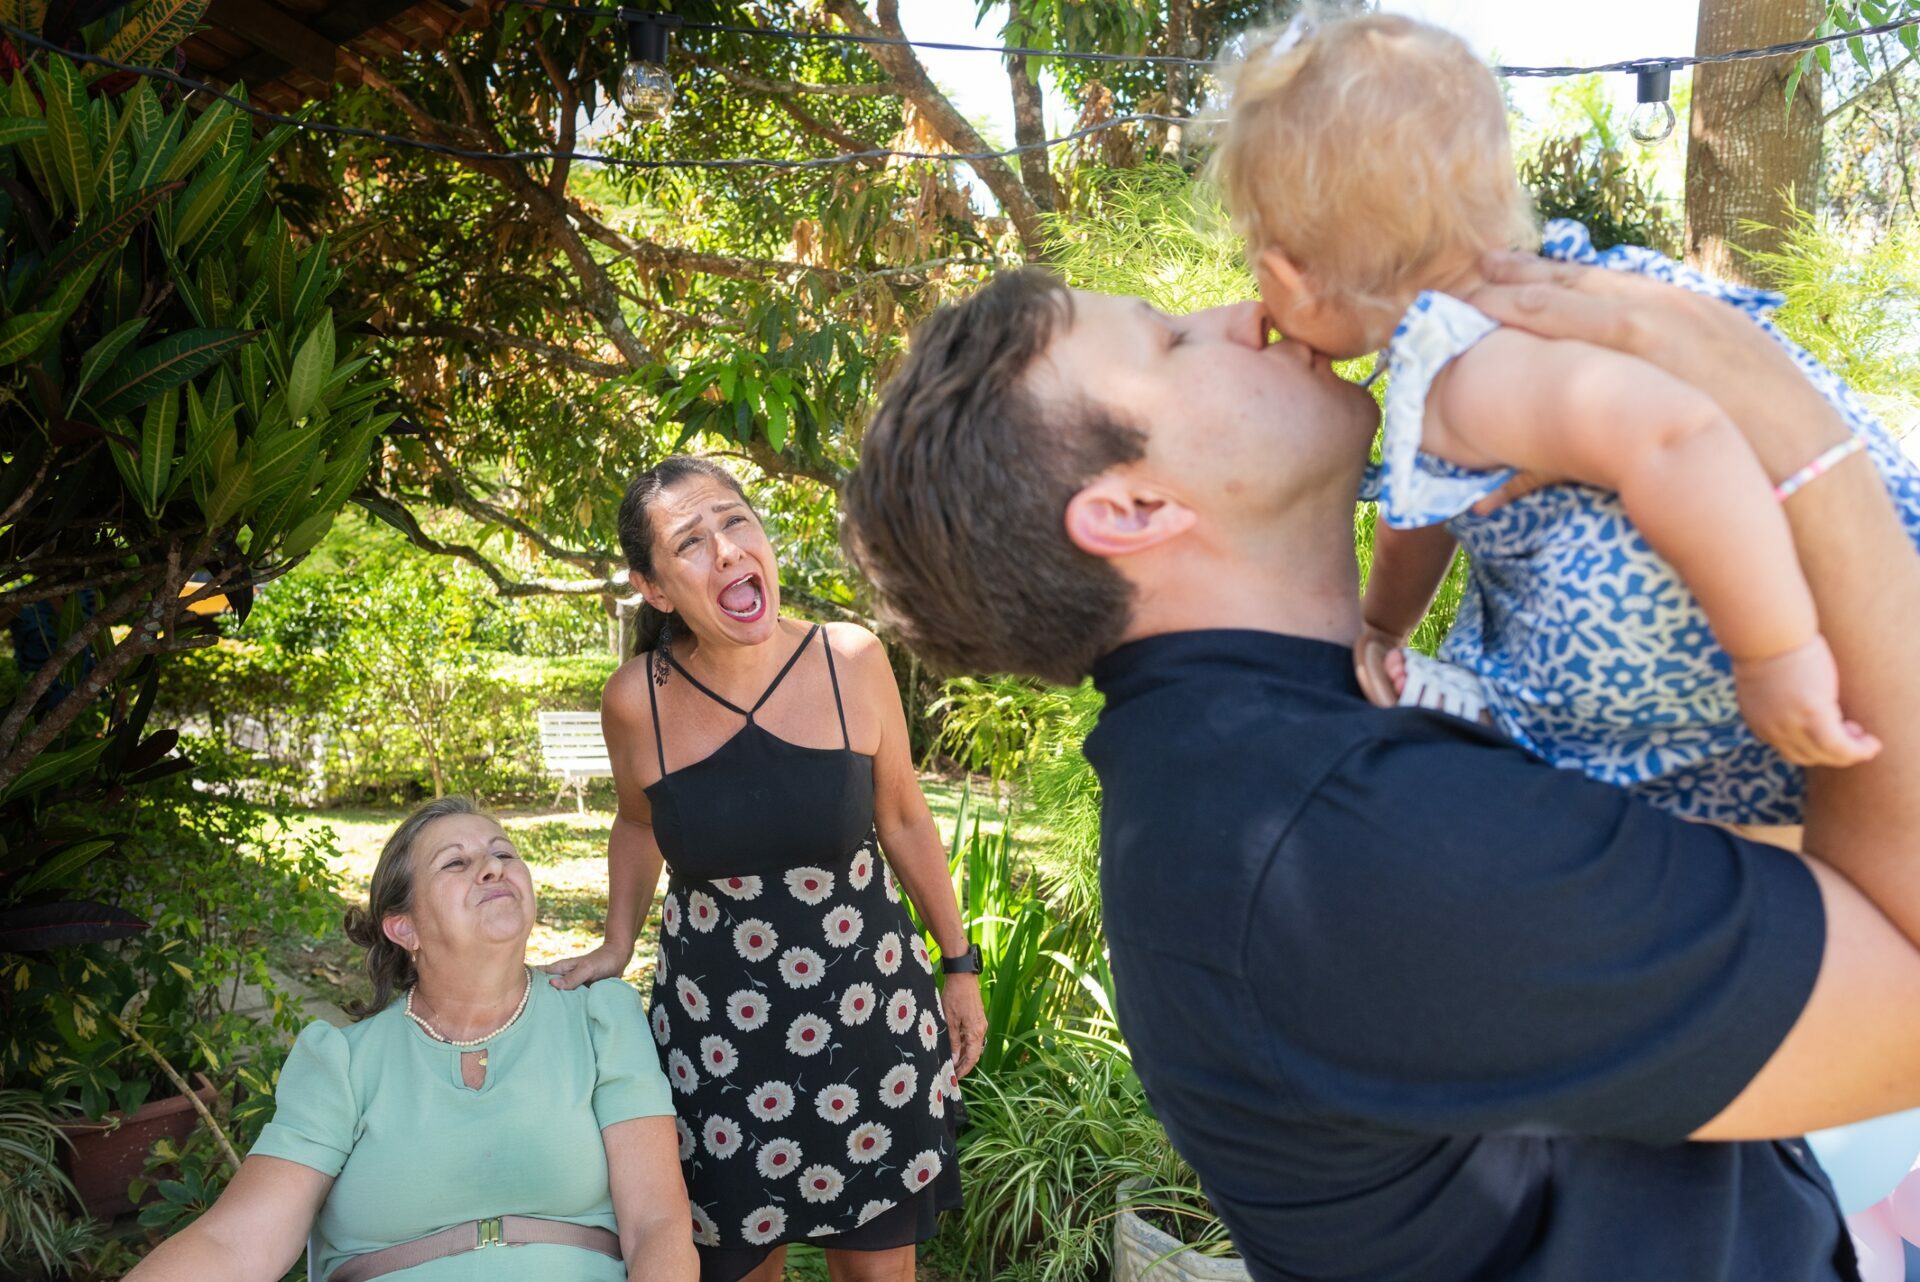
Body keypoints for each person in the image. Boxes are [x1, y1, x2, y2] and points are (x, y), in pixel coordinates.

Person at [838, 258, 1920, 1282]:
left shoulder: (1276, 754)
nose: (1246, 312)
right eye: (1172, 341)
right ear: (1133, 511)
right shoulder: (1335, 840)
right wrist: (1787, 427)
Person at [1216, 12, 1920, 824]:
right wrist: (1380, 625)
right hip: (1768, 580)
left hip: (1769, 611)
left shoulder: (1482, 365)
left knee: (1523, 740)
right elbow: (1424, 511)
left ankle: (1506, 721)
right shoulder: (1469, 339)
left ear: (1290, 277)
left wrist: (1775, 653)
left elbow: (1680, 440)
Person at [546, 456, 985, 1282]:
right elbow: (637, 823)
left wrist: (959, 966)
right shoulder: (636, 700)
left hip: (871, 1024)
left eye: (735, 521)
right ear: (655, 589)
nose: (726, 550)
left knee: (879, 1276)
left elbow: (903, 817)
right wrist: (615, 941)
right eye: (690, 542)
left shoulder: (851, 659)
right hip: (719, 1045)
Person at [127, 796, 696, 1282]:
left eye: (503, 853)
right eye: (456, 863)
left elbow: (657, 1226)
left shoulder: (598, 1018)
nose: (492, 868)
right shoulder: (344, 1063)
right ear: (405, 927)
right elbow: (235, 1244)